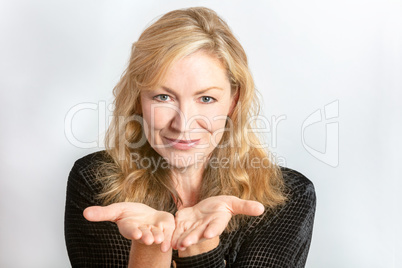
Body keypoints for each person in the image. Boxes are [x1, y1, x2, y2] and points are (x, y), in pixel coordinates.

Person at [64, 7, 316, 268]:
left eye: (206, 98)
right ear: (139, 100)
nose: (183, 124)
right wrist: (149, 247)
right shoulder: (96, 181)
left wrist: (199, 245)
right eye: (163, 97)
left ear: (233, 102)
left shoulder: (287, 196)